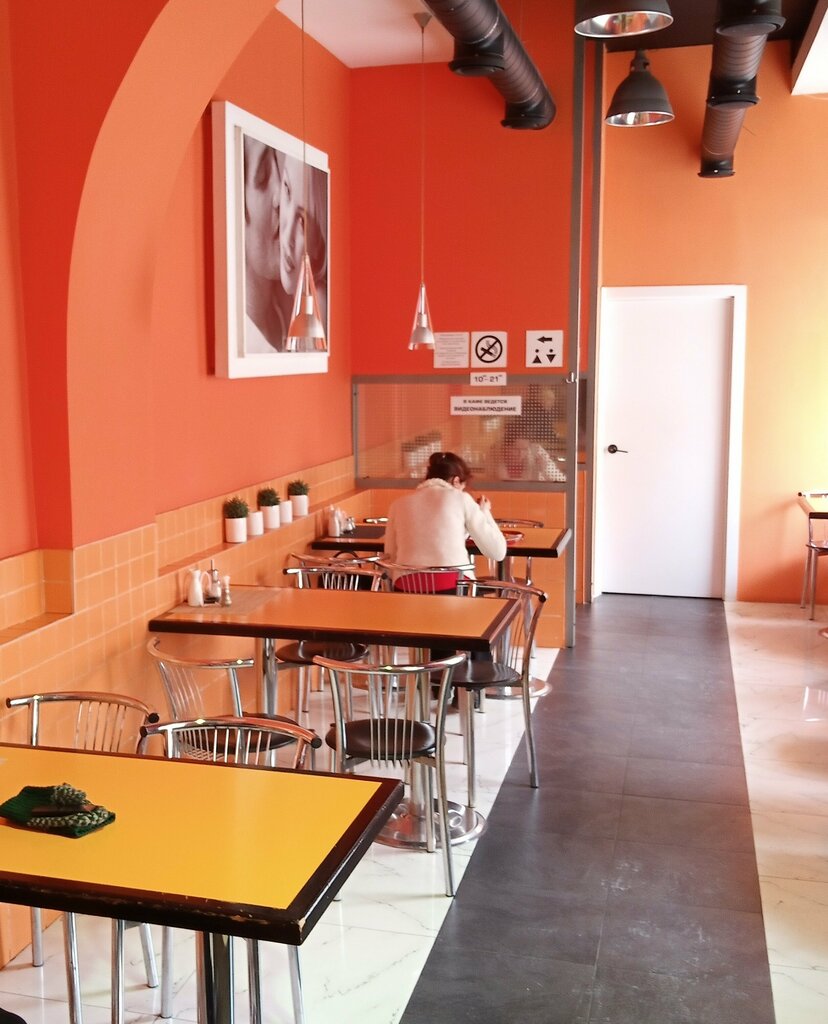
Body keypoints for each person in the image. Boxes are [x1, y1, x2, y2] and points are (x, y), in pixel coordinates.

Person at [384, 451, 507, 589]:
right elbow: (498, 552)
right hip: (453, 588)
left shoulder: (398, 504)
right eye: (463, 487)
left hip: (406, 587)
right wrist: (485, 512)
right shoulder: (462, 498)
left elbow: (389, 557)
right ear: (456, 481)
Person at [242, 135, 292, 353]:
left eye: (280, 171)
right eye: (262, 177)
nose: (281, 197)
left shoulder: (292, 309)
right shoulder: (247, 344)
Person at [279, 153, 328, 333]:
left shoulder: (317, 301)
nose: (287, 235)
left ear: (319, 245)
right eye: (287, 189)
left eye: (302, 222)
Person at [490, 416, 566, 483]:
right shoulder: (495, 454)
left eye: (524, 449)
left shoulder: (536, 452)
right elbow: (491, 482)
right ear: (506, 447)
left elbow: (562, 481)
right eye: (516, 449)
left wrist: (545, 469)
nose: (520, 454)